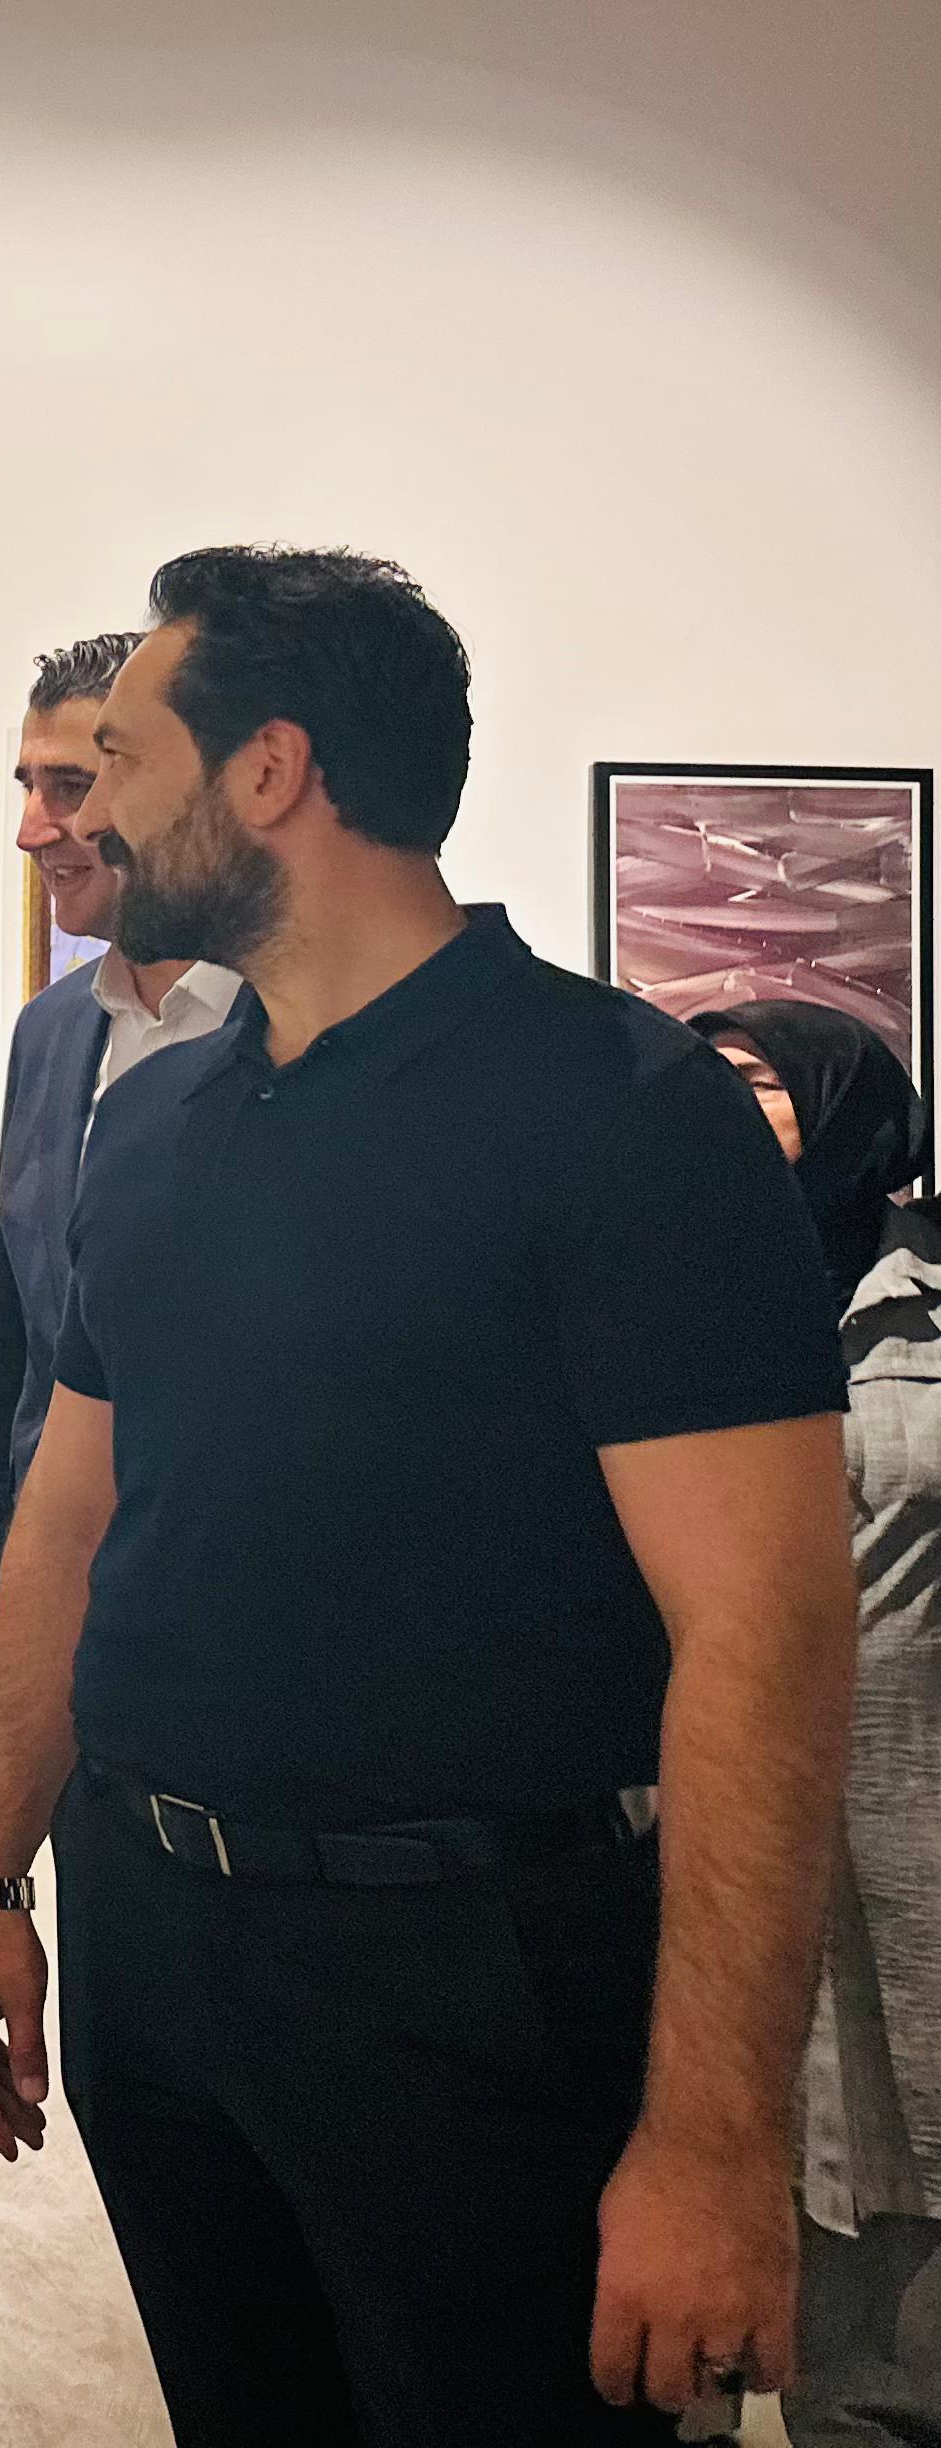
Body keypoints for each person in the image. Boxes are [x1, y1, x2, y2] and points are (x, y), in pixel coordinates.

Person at [0, 546, 856, 2445]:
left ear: (269, 771)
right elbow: (71, 1521)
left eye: (120, 761)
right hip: (155, 1946)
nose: (79, 816)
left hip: (477, 1972)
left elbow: (764, 1634)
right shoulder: (156, 1114)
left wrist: (711, 2139)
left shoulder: (617, 1109)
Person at [695, 1002, 941, 2445]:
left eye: (755, 1082)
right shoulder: (672, 1287)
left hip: (907, 1823)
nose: (721, 1108)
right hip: (715, 1814)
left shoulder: (926, 1299)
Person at [0, 635, 239, 1777]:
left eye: (70, 784)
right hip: (69, 1626)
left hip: (249, 1634)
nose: (33, 829)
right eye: (27, 786)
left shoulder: (303, 1030)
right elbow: (19, 1361)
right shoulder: (53, 1033)